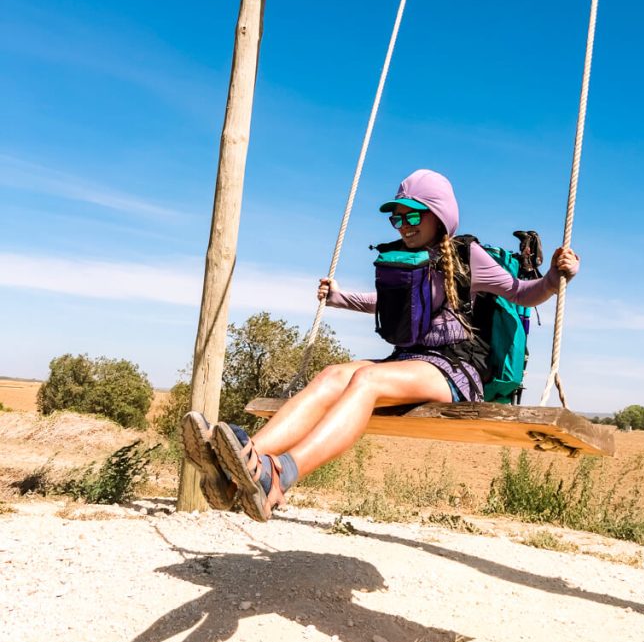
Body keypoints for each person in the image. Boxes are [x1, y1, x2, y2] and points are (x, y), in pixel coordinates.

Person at [182, 169, 579, 521]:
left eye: (412, 215)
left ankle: (280, 475)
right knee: (333, 374)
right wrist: (340, 299)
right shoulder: (404, 259)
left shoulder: (466, 256)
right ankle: (239, 465)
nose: (402, 225)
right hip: (410, 360)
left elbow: (520, 293)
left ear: (439, 215)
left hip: (456, 368)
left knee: (367, 381)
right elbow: (384, 305)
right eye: (397, 217)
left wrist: (557, 277)